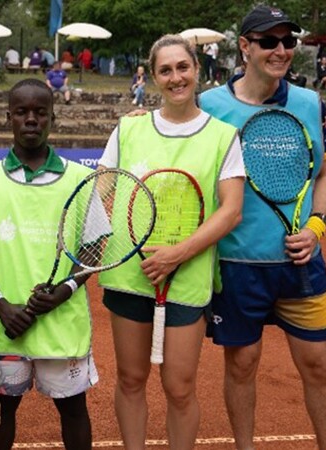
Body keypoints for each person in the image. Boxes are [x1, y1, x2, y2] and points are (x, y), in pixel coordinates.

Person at [199, 5, 326, 450]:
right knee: (242, 364)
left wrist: (317, 226)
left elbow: (325, 171)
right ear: (245, 47)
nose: (281, 50)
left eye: (288, 42)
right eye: (269, 42)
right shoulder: (209, 107)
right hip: (237, 264)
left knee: (318, 365)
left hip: (301, 263)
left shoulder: (308, 102)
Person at [97, 34, 244, 450]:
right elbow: (100, 192)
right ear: (153, 77)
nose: (176, 77)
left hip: (187, 277)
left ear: (197, 70)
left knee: (179, 387)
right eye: (166, 70)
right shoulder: (128, 128)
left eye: (183, 67)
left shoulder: (223, 136)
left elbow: (231, 211)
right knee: (130, 379)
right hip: (130, 274)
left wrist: (178, 254)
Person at [0, 79, 96, 450]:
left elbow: (94, 249)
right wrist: (0, 304)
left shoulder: (80, 179)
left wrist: (65, 290)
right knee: (2, 412)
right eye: (22, 112)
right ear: (8, 118)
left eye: (40, 112)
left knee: (74, 410)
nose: (31, 119)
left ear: (52, 118)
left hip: (63, 327)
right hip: (6, 326)